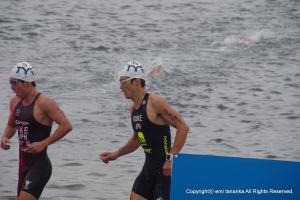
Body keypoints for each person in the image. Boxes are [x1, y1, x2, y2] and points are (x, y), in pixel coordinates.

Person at [100, 61, 189, 200]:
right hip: (149, 167)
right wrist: (115, 154)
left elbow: (183, 127)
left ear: (136, 82)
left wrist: (171, 159)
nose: (120, 87)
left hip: (164, 168)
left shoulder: (155, 102)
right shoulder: (134, 109)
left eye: (123, 82)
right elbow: (138, 139)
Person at [0, 62, 73, 200]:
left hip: (40, 166)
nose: (11, 87)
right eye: (10, 82)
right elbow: (11, 125)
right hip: (23, 165)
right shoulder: (15, 101)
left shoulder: (44, 103)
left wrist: (43, 143)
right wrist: (4, 137)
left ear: (26, 83)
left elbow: (66, 125)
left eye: (14, 82)